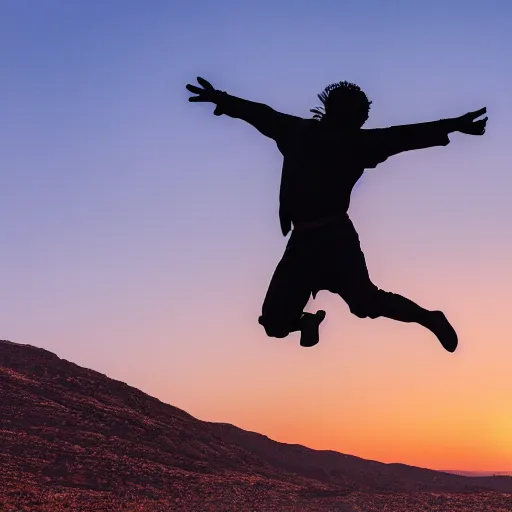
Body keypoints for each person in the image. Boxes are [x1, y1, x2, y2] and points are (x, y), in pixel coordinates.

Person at [186, 77, 488, 351]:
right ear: (344, 114)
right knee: (276, 323)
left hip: (334, 239)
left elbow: (404, 136)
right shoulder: (301, 133)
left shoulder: (346, 141)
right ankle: (307, 321)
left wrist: (452, 124)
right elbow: (260, 113)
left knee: (364, 302)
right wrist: (221, 99)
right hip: (304, 241)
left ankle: (429, 318)